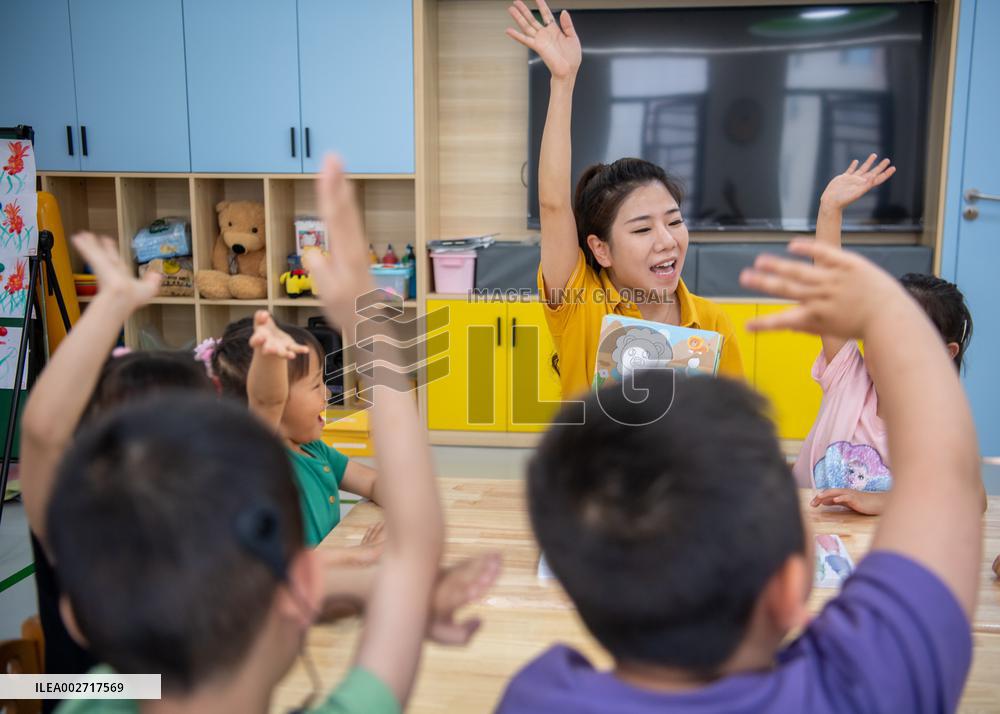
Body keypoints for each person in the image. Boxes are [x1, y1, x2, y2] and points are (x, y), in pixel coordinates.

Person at [50, 155, 498, 713]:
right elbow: (415, 549)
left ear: (77, 615)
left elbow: (43, 436)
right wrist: (370, 324)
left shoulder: (89, 700)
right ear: (299, 594)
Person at [497, 239, 981, 713]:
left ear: (579, 590)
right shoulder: (870, 685)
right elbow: (946, 486)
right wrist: (889, 314)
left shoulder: (537, 696)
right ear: (793, 589)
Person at [505, 0, 744, 399]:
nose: (667, 239)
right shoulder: (581, 304)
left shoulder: (713, 323)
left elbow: (731, 428)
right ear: (601, 250)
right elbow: (552, 205)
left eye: (673, 220)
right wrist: (563, 82)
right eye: (642, 228)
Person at [794, 155, 976, 516]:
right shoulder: (848, 373)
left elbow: (973, 499)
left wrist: (882, 501)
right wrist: (829, 208)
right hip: (800, 525)